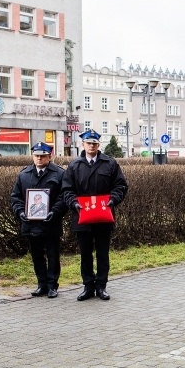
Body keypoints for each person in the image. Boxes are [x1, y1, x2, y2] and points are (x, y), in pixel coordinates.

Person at [61, 129, 128, 301]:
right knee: (85, 254)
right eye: (89, 143)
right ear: (82, 144)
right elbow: (67, 189)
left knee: (102, 253)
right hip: (82, 216)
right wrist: (73, 203)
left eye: (95, 143)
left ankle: (101, 286)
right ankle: (88, 286)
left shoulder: (110, 163)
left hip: (104, 216)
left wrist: (113, 199)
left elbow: (120, 185)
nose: (92, 146)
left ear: (99, 145)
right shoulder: (74, 166)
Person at [10, 142, 67, 298]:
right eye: (36, 156)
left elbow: (63, 196)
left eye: (43, 156)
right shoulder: (24, 174)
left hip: (51, 223)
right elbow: (16, 197)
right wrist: (20, 212)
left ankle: (52, 285)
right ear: (33, 156)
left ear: (49, 156)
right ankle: (41, 284)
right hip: (31, 224)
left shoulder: (59, 174)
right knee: (36, 256)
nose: (39, 159)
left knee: (53, 255)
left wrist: (55, 212)